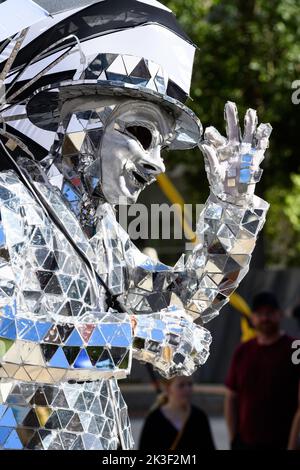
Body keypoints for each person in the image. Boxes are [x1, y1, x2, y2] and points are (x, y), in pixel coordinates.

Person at [0, 0, 271, 450]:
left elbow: (186, 304)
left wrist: (233, 203)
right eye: (143, 134)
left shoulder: (101, 233)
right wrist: (136, 335)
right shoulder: (9, 204)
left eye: (163, 146)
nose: (156, 165)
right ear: (82, 121)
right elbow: (5, 342)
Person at [225, 292, 300, 450]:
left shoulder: (295, 348)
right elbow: (231, 397)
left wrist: (293, 445)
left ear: (279, 315)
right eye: (260, 314)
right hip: (246, 443)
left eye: (270, 313)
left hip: (283, 443)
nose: (265, 318)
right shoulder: (242, 351)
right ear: (252, 318)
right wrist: (233, 439)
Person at [139, 376, 215, 451]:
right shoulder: (154, 420)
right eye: (181, 385)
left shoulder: (199, 417)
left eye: (190, 384)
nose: (187, 389)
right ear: (168, 389)